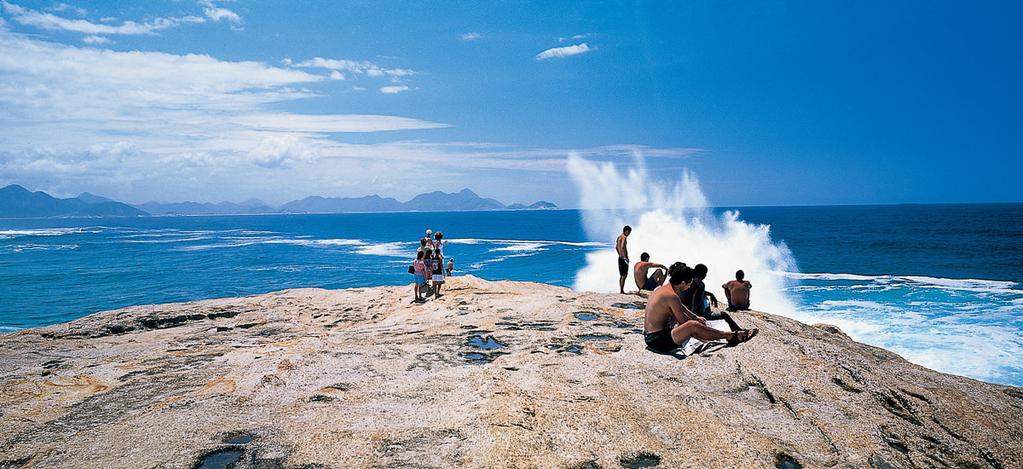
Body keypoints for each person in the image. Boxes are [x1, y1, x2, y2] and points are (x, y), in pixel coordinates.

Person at [643, 266, 757, 354]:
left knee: (695, 322)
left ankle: (726, 335)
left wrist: (695, 317)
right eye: (689, 284)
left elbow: (680, 306)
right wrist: (699, 328)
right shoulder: (672, 296)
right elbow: (685, 323)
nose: (689, 287)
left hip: (650, 337)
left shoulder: (662, 289)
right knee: (693, 325)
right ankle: (731, 336)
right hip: (658, 341)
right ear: (682, 282)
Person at [681, 264, 742, 331]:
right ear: (701, 273)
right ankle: (738, 331)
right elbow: (694, 302)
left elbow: (694, 293)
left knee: (705, 299)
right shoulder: (700, 284)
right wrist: (693, 319)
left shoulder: (688, 281)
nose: (705, 275)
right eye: (705, 273)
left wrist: (711, 294)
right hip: (696, 315)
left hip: (683, 312)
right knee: (724, 315)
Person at [616, 225, 632, 294]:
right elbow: (622, 247)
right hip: (623, 259)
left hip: (620, 258)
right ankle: (622, 290)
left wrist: (620, 254)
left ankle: (621, 290)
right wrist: (625, 257)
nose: (629, 234)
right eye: (629, 232)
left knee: (622, 274)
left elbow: (616, 247)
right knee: (624, 275)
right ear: (627, 231)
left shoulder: (619, 237)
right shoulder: (624, 237)